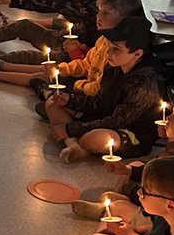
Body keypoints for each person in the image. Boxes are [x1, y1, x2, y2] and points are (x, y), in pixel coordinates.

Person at [45, 16, 162, 164]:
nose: (109, 53)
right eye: (109, 46)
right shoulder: (112, 66)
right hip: (105, 117)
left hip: (130, 132)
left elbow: (117, 121)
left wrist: (71, 129)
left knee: (96, 139)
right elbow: (99, 101)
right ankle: (75, 145)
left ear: (137, 54)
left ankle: (79, 143)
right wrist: (69, 100)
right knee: (53, 103)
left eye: (116, 49)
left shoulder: (144, 84)